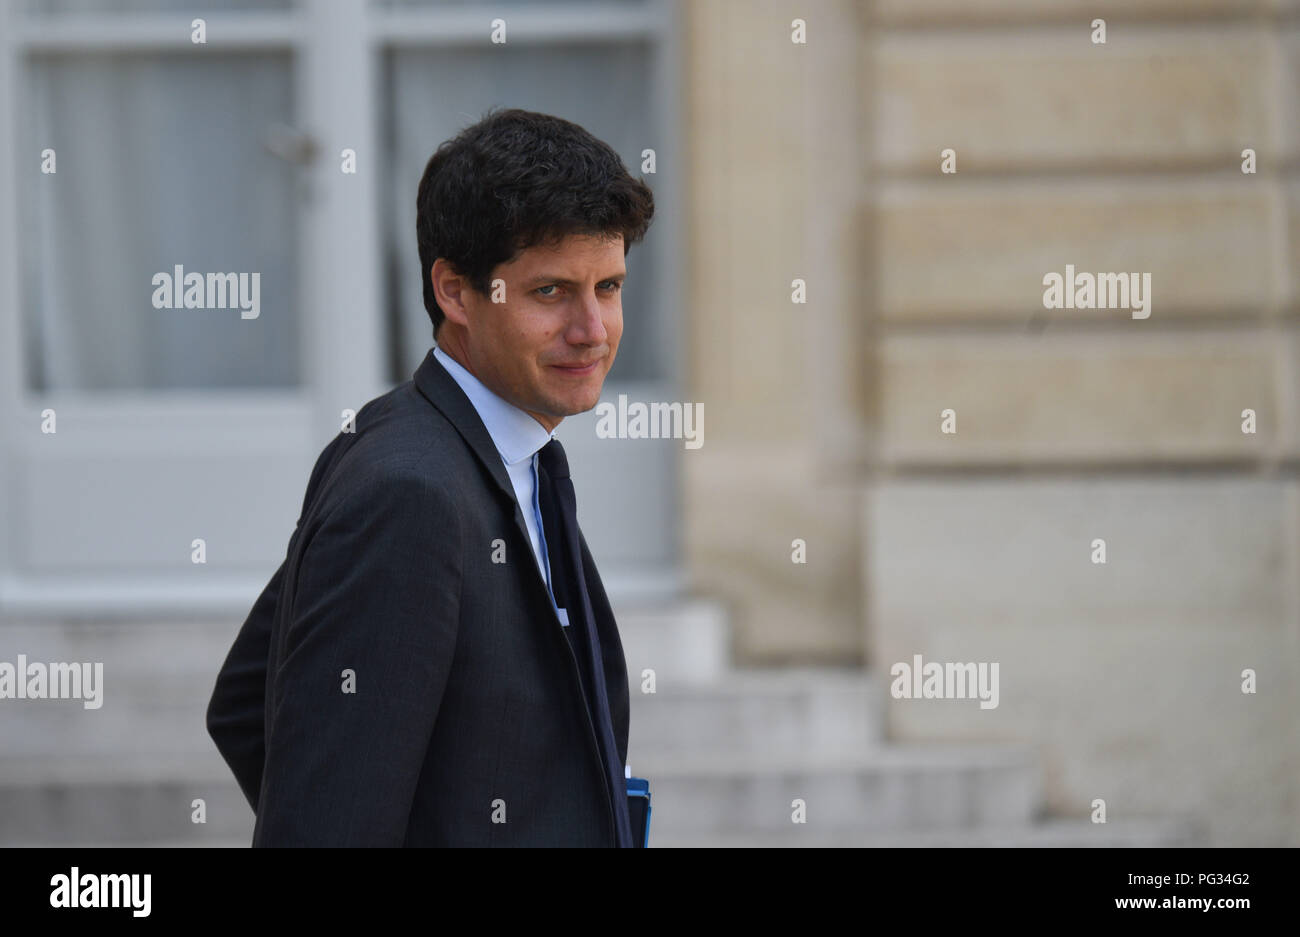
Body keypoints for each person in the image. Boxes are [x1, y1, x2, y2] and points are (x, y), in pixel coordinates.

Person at [205, 107, 655, 846]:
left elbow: (246, 697)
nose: (593, 330)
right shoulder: (407, 492)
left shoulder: (515, 453)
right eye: (550, 292)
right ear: (454, 291)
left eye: (607, 287)